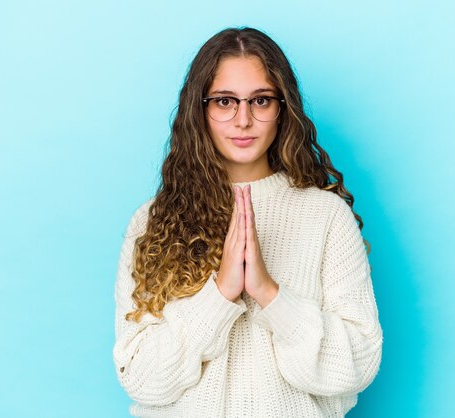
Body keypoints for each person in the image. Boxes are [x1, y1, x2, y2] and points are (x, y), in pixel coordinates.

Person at [113, 26, 383, 417]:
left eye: (260, 101)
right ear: (200, 110)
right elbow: (141, 378)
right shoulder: (152, 223)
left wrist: (269, 293)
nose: (243, 120)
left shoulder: (326, 216)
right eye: (225, 101)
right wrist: (221, 294)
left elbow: (356, 365)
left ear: (282, 109)